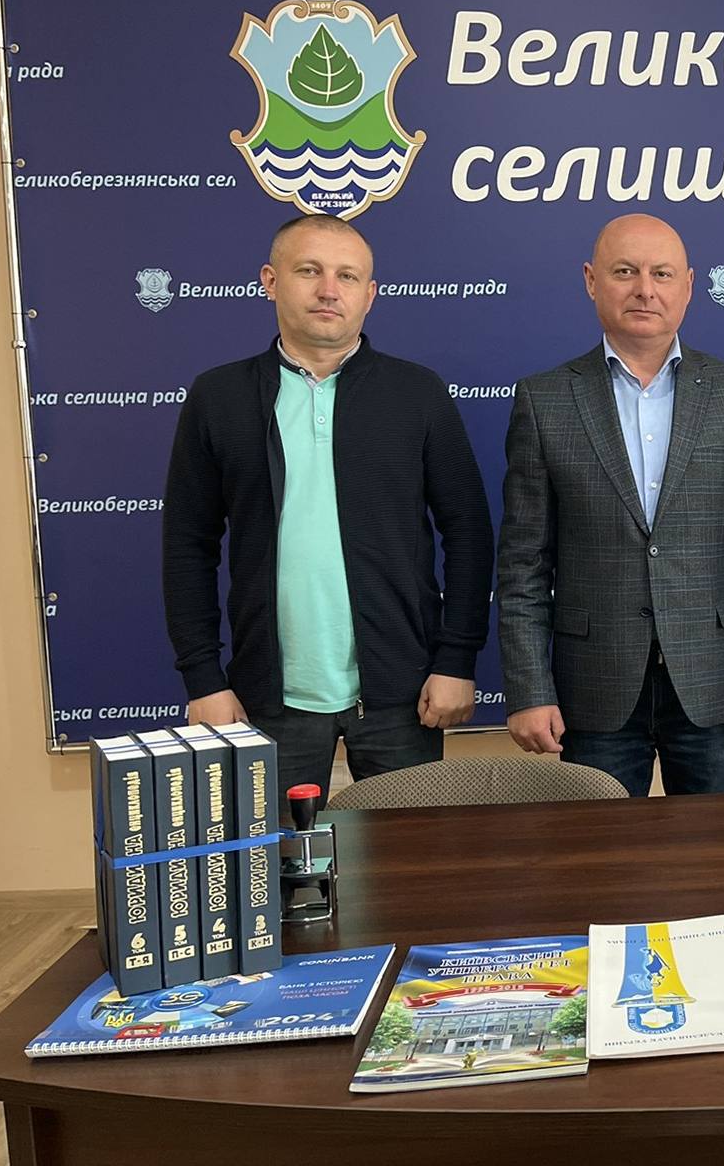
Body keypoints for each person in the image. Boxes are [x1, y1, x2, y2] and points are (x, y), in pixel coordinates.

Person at [163, 214, 494, 816]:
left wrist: (456, 660)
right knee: (274, 865)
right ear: (270, 281)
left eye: (347, 276)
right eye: (309, 271)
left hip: (402, 696)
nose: (328, 290)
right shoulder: (219, 397)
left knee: (409, 861)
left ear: (370, 294)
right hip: (266, 700)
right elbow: (188, 545)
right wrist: (204, 677)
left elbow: (468, 533)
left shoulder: (417, 393)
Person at [498, 214, 724, 795]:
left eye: (661, 274)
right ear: (591, 280)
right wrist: (530, 689)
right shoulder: (544, 399)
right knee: (603, 852)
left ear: (689, 285)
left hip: (714, 687)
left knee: (712, 850)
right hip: (594, 690)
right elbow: (522, 565)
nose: (644, 289)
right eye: (625, 272)